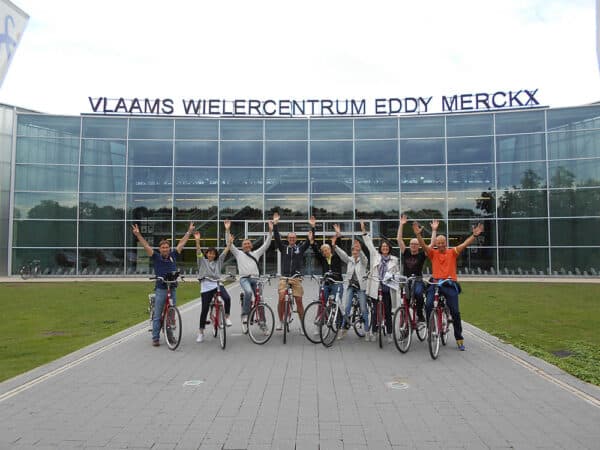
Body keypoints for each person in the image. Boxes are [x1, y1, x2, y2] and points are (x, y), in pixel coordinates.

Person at [413, 221, 484, 351]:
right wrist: (418, 235)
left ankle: (459, 338)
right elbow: (423, 246)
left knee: (455, 311)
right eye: (438, 243)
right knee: (428, 305)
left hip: (449, 284)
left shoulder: (452, 252)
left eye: (442, 242)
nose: (440, 245)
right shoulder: (433, 253)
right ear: (436, 244)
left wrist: (474, 236)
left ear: (446, 243)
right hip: (435, 283)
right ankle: (431, 329)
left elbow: (464, 244)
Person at [132, 222, 194, 347]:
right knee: (158, 314)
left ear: (169, 248)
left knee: (171, 314)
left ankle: (170, 336)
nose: (165, 249)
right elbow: (146, 246)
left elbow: (181, 243)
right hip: (161, 288)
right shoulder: (156, 257)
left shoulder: (173, 255)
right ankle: (155, 338)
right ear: (160, 249)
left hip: (172, 287)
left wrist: (189, 232)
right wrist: (138, 235)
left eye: (167, 247)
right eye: (163, 247)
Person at [225, 219, 273, 326]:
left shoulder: (256, 253)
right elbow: (229, 244)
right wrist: (227, 230)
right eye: (244, 244)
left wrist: (270, 231)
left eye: (248, 244)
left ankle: (263, 323)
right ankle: (245, 315)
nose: (246, 245)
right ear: (242, 246)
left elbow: (266, 244)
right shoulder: (238, 254)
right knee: (248, 292)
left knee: (260, 300)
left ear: (251, 246)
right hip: (244, 279)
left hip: (256, 279)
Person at [273, 212, 316, 332]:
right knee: (281, 299)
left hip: (296, 278)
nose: (292, 239)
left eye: (293, 238)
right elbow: (277, 238)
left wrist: (313, 227)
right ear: (288, 239)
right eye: (290, 237)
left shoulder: (300, 248)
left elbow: (310, 240)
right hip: (284, 278)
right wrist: (275, 224)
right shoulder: (283, 248)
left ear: (296, 239)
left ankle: (302, 325)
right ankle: (281, 321)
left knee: (299, 301)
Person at [360, 220, 399, 343]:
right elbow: (369, 244)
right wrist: (364, 231)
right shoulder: (375, 256)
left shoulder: (394, 260)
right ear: (380, 249)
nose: (385, 248)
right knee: (375, 311)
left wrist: (394, 278)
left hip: (387, 288)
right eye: (383, 247)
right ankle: (375, 332)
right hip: (376, 288)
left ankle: (389, 333)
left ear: (389, 248)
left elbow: (397, 273)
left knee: (387, 312)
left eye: (386, 247)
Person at [194, 228, 233, 343]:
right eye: (209, 253)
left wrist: (230, 243)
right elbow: (198, 251)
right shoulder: (202, 261)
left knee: (227, 298)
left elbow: (225, 251)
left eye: (213, 253)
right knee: (204, 309)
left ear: (215, 255)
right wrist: (197, 241)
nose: (211, 255)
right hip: (206, 286)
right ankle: (201, 332)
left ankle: (226, 317)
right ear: (206, 254)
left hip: (217, 284)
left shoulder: (218, 262)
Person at [397, 214, 438, 322]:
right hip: (406, 281)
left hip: (418, 281)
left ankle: (419, 314)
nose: (413, 246)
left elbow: (432, 244)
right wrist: (401, 225)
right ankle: (406, 321)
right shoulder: (405, 252)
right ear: (409, 245)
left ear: (419, 246)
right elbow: (399, 239)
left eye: (415, 244)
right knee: (405, 300)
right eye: (411, 244)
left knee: (419, 294)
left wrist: (434, 230)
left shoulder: (421, 255)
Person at [332, 224, 370, 340]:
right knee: (347, 308)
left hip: (361, 287)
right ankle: (343, 329)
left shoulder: (363, 261)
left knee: (363, 309)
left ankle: (367, 331)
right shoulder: (350, 260)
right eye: (353, 250)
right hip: (350, 286)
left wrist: (360, 249)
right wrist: (334, 246)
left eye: (356, 250)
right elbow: (343, 254)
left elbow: (363, 258)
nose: (355, 252)